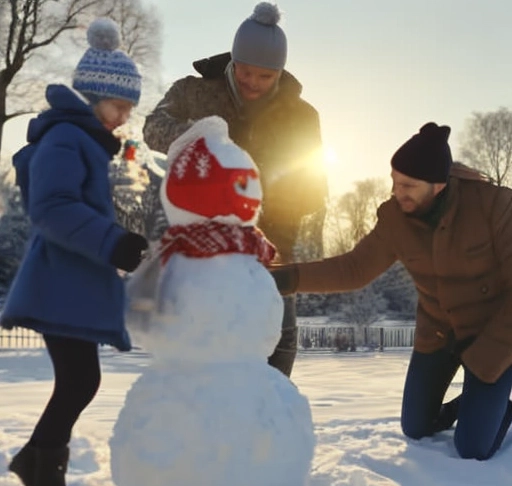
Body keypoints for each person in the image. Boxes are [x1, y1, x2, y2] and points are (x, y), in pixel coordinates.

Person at [271, 122, 512, 461]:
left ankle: (499, 407)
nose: (398, 192)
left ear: (439, 185)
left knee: (473, 448)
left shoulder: (495, 205)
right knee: (416, 427)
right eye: (395, 181)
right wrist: (284, 279)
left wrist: (490, 356)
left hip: (495, 338)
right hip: (440, 333)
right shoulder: (395, 218)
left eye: (408, 185)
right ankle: (478, 403)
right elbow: (354, 268)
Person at [142, 2, 328, 378]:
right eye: (246, 72)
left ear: (279, 72)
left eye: (265, 76)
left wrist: (268, 224)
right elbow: (152, 128)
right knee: (202, 344)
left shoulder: (302, 116)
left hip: (272, 244)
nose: (253, 83)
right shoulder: (193, 92)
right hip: (201, 244)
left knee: (277, 341)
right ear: (233, 61)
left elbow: (310, 188)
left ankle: (268, 421)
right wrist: (204, 139)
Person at [1, 18, 148, 486]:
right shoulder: (65, 138)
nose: (125, 116)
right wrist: (112, 243)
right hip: (58, 282)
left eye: (129, 107)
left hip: (70, 281)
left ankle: (38, 464)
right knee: (81, 380)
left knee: (80, 381)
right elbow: (52, 207)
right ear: (91, 97)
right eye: (118, 104)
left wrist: (121, 238)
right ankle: (40, 469)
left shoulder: (83, 141)